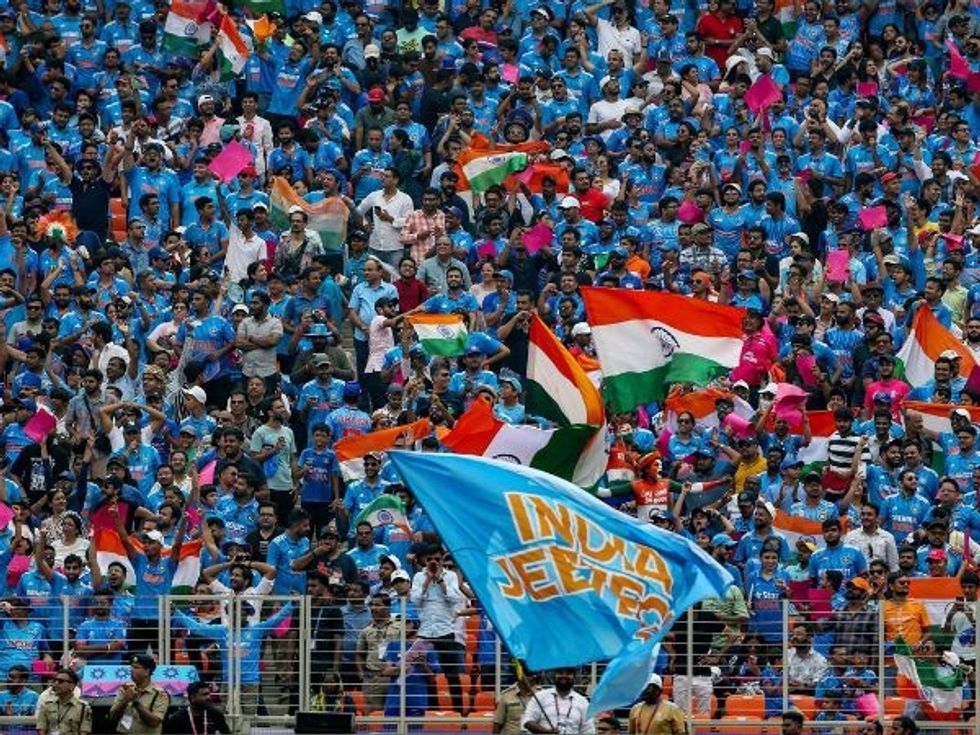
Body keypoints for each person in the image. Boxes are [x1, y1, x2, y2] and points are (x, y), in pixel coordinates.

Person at [108, 655, 170, 735]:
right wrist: (125, 701)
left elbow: (154, 722)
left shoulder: (159, 694)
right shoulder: (126, 689)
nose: (131, 670)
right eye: (132, 667)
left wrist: (135, 702)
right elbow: (112, 715)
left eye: (136, 668)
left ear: (147, 671)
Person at [521, 668, 595, 734]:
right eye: (560, 673)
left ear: (574, 677)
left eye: (568, 673)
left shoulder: (583, 702)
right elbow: (527, 721)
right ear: (555, 676)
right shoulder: (540, 696)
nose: (564, 676)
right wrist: (546, 732)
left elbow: (588, 730)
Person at [36, 668, 91, 735]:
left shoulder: (83, 707)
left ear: (72, 685)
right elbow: (41, 728)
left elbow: (84, 731)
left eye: (60, 681)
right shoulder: (46, 704)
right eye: (55, 681)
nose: (56, 684)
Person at [162, 682, 231, 734]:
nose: (209, 697)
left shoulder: (215, 714)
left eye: (209, 694)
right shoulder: (177, 718)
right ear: (192, 697)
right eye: (204, 694)